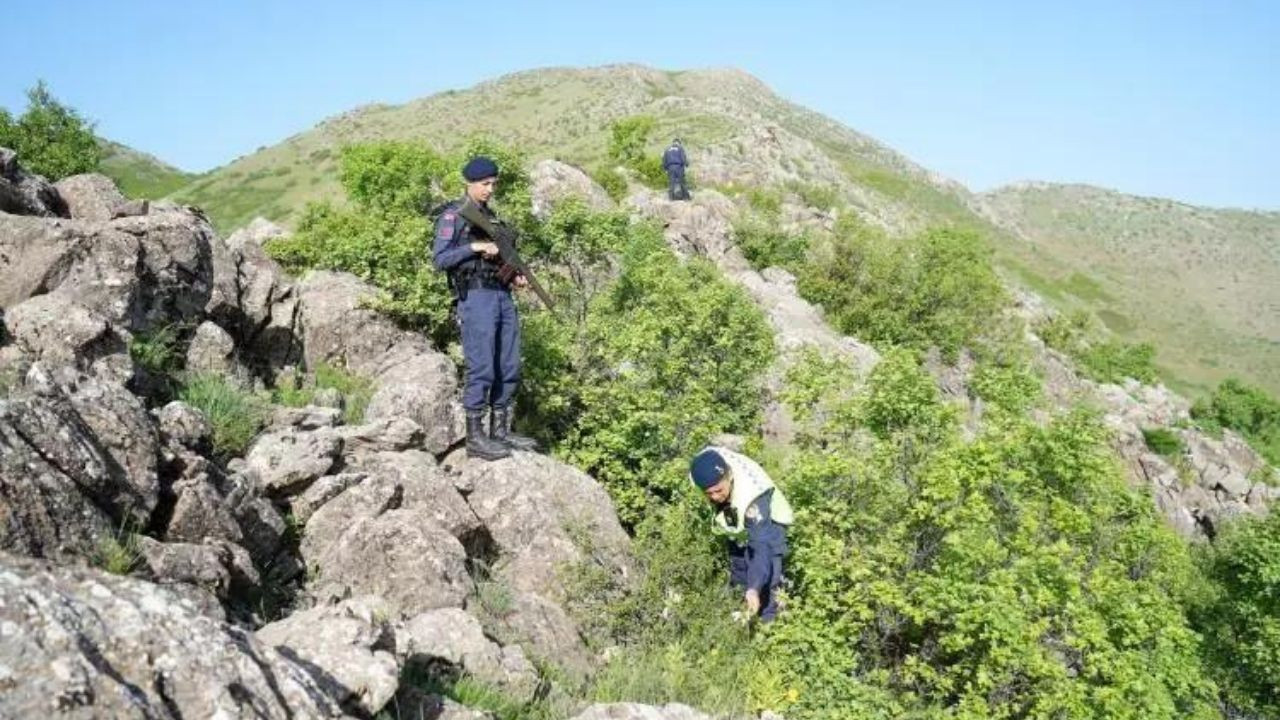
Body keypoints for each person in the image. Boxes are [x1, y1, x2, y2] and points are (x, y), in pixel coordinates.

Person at [432, 156, 538, 460]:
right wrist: (475, 247)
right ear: (469, 183)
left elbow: (500, 259)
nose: (490, 189)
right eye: (484, 184)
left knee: (509, 364)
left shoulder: (492, 220)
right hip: (475, 299)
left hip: (502, 296)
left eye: (493, 184)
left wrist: (515, 276)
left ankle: (501, 431)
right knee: (482, 368)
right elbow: (440, 259)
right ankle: (476, 438)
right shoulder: (454, 216)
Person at [689, 445, 793, 622]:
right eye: (709, 493)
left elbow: (761, 549)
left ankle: (769, 628)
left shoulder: (753, 498)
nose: (714, 497)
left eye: (718, 491)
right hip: (737, 522)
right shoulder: (699, 473)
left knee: (768, 582)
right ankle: (743, 621)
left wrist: (754, 588)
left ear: (729, 476)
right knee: (739, 573)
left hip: (768, 524)